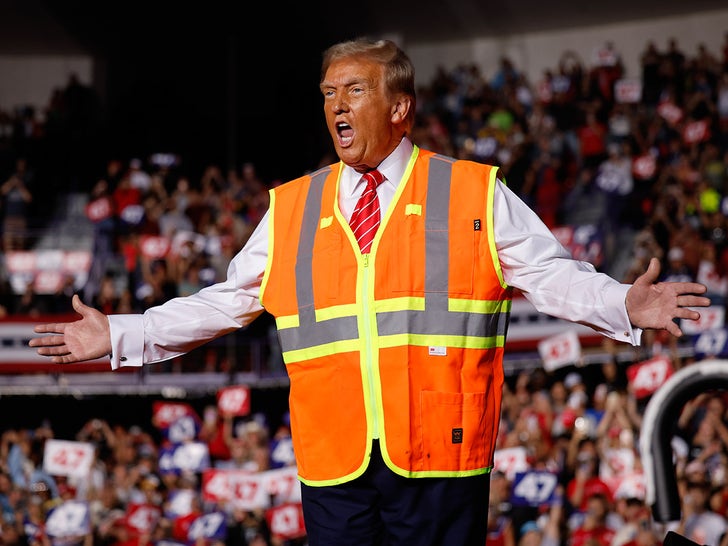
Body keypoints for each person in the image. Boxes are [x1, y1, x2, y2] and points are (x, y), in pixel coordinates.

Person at [29, 38, 711, 546]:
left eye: (353, 90)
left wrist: (624, 303)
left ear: (400, 106)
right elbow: (223, 301)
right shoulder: (293, 207)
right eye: (327, 93)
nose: (336, 105)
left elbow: (552, 275)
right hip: (334, 465)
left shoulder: (470, 190)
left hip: (441, 458)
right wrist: (120, 333)